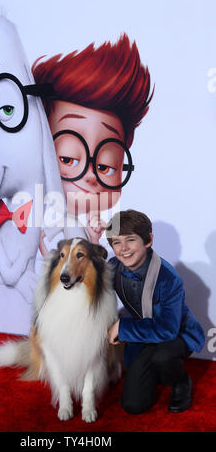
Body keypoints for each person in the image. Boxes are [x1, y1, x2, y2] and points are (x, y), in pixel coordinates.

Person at [32, 35, 153, 251]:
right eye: (68, 159)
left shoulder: (97, 226)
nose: (89, 176)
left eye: (105, 166)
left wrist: (95, 238)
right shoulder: (39, 220)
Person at [107, 209, 205, 414]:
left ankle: (181, 381)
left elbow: (168, 329)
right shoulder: (114, 267)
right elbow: (90, 279)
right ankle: (158, 372)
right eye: (116, 242)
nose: (123, 248)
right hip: (144, 336)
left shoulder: (168, 278)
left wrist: (122, 327)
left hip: (175, 335)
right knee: (133, 405)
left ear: (148, 240)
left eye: (130, 240)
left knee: (163, 357)